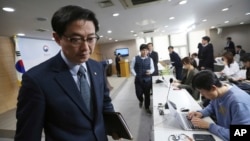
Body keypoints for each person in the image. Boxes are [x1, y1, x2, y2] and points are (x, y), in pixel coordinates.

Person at [15, 5, 119, 141]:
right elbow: (27, 135)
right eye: (76, 39)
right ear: (58, 38)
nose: (86, 48)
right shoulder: (36, 80)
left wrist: (114, 126)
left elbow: (105, 101)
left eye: (91, 38)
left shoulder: (97, 67)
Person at [188, 70, 250, 141]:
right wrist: (201, 113)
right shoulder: (219, 91)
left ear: (213, 88)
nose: (202, 95)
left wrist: (210, 126)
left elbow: (241, 134)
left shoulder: (238, 103)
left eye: (202, 92)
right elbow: (213, 105)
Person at [130, 44, 154, 114]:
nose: (145, 52)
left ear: (148, 51)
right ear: (140, 51)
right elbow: (131, 68)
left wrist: (151, 71)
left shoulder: (150, 59)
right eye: (143, 50)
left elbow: (153, 68)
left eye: (146, 50)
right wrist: (135, 74)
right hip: (138, 80)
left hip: (147, 80)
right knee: (138, 93)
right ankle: (141, 100)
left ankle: (147, 107)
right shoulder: (135, 58)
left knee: (147, 95)